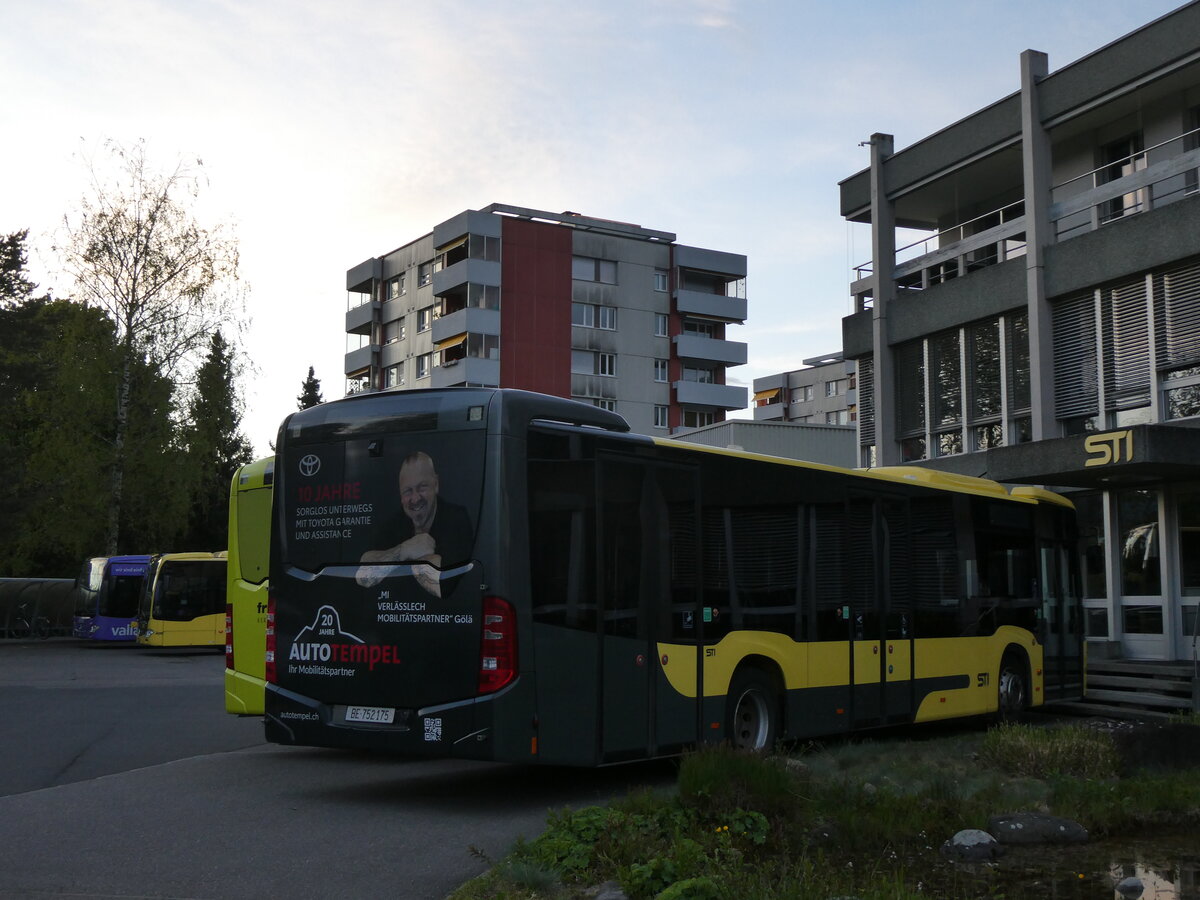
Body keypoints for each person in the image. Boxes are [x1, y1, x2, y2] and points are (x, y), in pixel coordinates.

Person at [356, 451, 473, 596]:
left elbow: (442, 586)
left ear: (436, 485)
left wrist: (391, 563)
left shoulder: (456, 519)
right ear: (400, 495)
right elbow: (363, 577)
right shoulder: (393, 525)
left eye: (422, 487)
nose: (415, 498)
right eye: (408, 491)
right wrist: (405, 550)